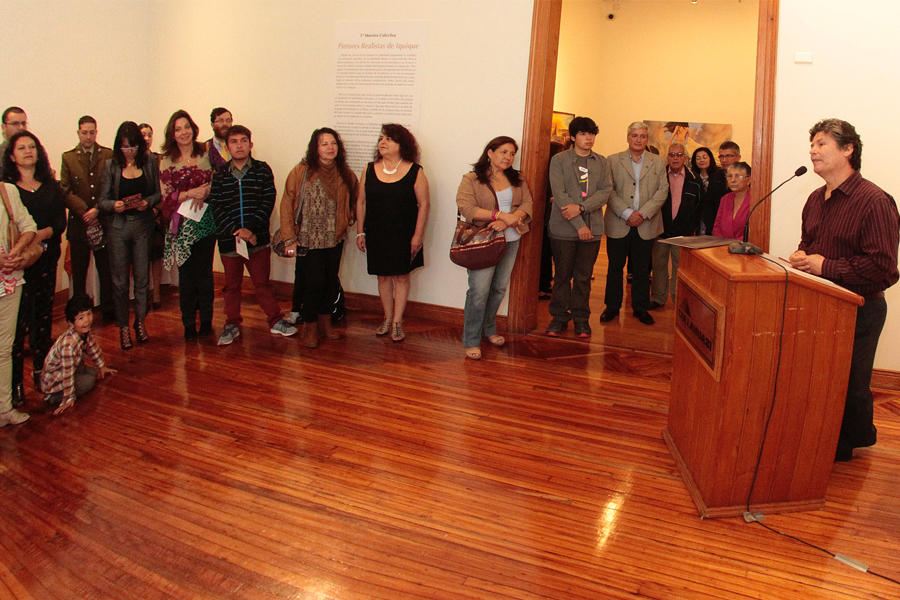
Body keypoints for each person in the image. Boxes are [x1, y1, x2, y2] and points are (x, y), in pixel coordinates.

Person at [789, 119, 899, 462]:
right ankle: (820, 438)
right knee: (818, 381)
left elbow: (884, 268)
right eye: (812, 145)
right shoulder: (814, 198)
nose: (813, 151)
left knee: (848, 385)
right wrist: (802, 256)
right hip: (818, 304)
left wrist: (826, 267)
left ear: (848, 149)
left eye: (821, 144)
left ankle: (845, 447)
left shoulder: (874, 201)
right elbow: (810, 244)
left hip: (860, 309)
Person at [208, 125, 297, 345]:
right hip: (230, 241)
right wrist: (236, 231)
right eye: (234, 141)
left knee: (262, 283)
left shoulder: (262, 170)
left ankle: (275, 320)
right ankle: (231, 324)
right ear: (227, 146)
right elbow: (216, 206)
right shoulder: (219, 175)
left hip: (257, 239)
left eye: (243, 140)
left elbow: (267, 201)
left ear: (250, 144)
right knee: (231, 286)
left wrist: (250, 229)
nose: (239, 145)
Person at [1, 131, 66, 407]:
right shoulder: (7, 189)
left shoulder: (51, 186)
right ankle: (15, 385)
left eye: (32, 147)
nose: (28, 151)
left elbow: (59, 224)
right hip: (16, 266)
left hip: (46, 259)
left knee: (43, 319)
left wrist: (38, 235)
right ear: (11, 155)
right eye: (21, 147)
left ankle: (41, 372)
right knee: (17, 327)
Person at [456, 136, 533, 360]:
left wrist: (509, 220)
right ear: (489, 153)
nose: (508, 158)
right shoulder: (472, 179)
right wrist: (499, 215)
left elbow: (528, 204)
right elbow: (467, 207)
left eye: (512, 154)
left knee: (499, 288)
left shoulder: (517, 178)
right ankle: (471, 338)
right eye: (503, 152)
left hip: (511, 239)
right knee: (479, 291)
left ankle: (488, 329)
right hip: (483, 241)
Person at [280, 128, 358, 348]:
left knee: (331, 282)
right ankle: (310, 327)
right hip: (307, 239)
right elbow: (287, 204)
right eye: (324, 144)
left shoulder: (345, 173)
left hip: (335, 238)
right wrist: (289, 238)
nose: (330, 147)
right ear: (315, 147)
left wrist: (348, 218)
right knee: (314, 283)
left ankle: (326, 324)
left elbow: (355, 200)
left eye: (333, 143)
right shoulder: (301, 171)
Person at [355, 124, 430, 342]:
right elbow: (361, 202)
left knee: (402, 275)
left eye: (389, 139)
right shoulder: (369, 168)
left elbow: (424, 205)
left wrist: (418, 236)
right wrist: (360, 232)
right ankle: (387, 318)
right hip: (377, 231)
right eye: (381, 138)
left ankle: (398, 322)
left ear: (402, 145)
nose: (383, 142)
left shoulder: (415, 170)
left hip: (404, 233)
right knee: (383, 276)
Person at [545, 117, 612, 338]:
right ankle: (559, 317)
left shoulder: (602, 162)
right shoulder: (559, 160)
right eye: (583, 134)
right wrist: (578, 223)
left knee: (583, 277)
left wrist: (581, 209)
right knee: (562, 275)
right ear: (573, 137)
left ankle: (581, 319)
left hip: (591, 229)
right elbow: (560, 193)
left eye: (592, 134)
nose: (589, 138)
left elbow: (604, 192)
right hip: (563, 229)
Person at [98, 121, 161, 349]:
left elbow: (157, 194)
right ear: (118, 147)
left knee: (142, 280)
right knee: (120, 281)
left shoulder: (150, 162)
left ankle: (140, 322)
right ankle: (123, 326)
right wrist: (113, 205)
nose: (130, 152)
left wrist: (148, 202)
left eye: (133, 147)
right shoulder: (110, 166)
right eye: (125, 148)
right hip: (118, 228)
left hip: (142, 227)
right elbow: (101, 200)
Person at [602, 122, 669, 326]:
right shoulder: (612, 161)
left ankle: (640, 307)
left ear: (647, 139)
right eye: (634, 135)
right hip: (618, 222)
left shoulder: (658, 162)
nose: (638, 139)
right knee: (615, 267)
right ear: (628, 137)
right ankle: (612, 306)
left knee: (641, 270)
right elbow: (608, 190)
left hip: (646, 224)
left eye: (642, 136)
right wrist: (627, 213)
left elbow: (662, 191)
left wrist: (643, 214)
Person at [159, 110, 215, 341]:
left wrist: (207, 190)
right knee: (186, 275)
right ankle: (189, 324)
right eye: (178, 129)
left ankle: (207, 322)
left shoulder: (208, 151)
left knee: (205, 273)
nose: (183, 132)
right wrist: (190, 193)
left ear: (193, 128)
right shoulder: (165, 160)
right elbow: (165, 197)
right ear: (172, 135)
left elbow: (220, 178)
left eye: (186, 127)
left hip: (206, 221)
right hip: (180, 225)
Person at [60, 115, 115, 320]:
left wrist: (97, 209)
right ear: (78, 133)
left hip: (103, 221)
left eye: (92, 132)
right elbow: (65, 191)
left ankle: (109, 310)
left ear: (96, 132)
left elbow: (110, 187)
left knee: (106, 270)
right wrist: (85, 211)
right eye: (85, 132)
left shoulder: (107, 155)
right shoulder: (69, 157)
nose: (89, 136)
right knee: (79, 272)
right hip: (79, 224)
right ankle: (80, 314)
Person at [0, 180, 37, 426]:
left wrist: (17, 251)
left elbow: (29, 226)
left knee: (4, 349)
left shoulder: (7, 191)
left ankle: (4, 409)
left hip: (9, 279)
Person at [41, 295, 116, 416]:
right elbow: (67, 373)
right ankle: (56, 397)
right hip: (55, 384)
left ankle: (68, 390)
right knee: (89, 381)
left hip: (70, 370)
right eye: (81, 318)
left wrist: (101, 366)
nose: (87, 320)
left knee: (93, 372)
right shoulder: (68, 346)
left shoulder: (83, 332)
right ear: (71, 323)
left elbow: (93, 348)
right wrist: (69, 398)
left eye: (89, 314)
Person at [649, 143, 701, 310]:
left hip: (683, 233)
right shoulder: (659, 176)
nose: (676, 157)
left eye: (679, 154)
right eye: (672, 154)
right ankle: (658, 298)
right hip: (661, 230)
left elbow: (699, 207)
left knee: (681, 268)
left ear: (685, 158)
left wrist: (693, 229)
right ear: (668, 157)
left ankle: (678, 299)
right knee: (658, 265)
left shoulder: (694, 180)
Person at [140, 122, 165, 309]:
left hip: (156, 214)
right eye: (143, 135)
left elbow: (164, 187)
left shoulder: (158, 159)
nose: (146, 139)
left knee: (156, 256)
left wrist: (156, 209)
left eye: (149, 135)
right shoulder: (130, 161)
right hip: (137, 216)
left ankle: (156, 293)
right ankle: (143, 293)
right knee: (140, 257)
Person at [539, 141, 565, 299]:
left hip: (553, 220)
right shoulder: (545, 173)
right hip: (544, 220)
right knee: (543, 255)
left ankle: (547, 283)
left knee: (548, 254)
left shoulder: (557, 171)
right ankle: (541, 286)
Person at [691, 146, 728, 235]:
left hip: (715, 216)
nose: (702, 160)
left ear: (710, 158)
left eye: (704, 157)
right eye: (698, 158)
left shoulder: (719, 176)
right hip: (698, 217)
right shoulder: (692, 177)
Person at [712, 162, 752, 240]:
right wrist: (723, 244)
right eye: (730, 176)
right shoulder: (725, 199)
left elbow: (754, 231)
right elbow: (717, 226)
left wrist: (734, 244)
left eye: (738, 176)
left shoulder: (755, 200)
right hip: (722, 247)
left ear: (749, 180)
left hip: (745, 248)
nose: (733, 180)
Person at [0, 107, 28, 180]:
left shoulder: (34, 151)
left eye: (23, 123)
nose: (21, 127)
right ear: (4, 127)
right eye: (15, 124)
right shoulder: (1, 153)